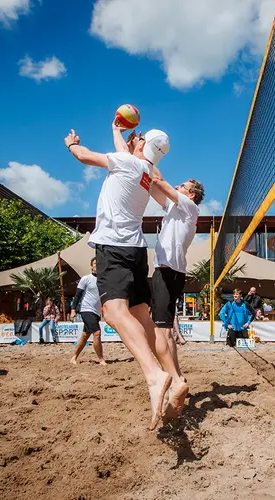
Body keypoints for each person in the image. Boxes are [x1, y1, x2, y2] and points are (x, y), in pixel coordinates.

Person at [64, 124, 174, 430]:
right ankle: (175, 378)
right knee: (141, 315)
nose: (132, 141)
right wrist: (116, 130)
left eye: (137, 140)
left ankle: (154, 374)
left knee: (113, 313)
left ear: (140, 147)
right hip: (137, 249)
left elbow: (84, 157)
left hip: (113, 247)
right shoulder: (147, 171)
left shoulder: (126, 162)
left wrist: (71, 144)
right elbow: (128, 155)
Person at [148, 174, 203, 420]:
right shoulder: (175, 207)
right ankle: (178, 376)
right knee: (166, 330)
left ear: (191, 195)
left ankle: (173, 381)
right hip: (171, 271)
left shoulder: (190, 206)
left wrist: (143, 160)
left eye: (184, 186)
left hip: (167, 270)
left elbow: (160, 183)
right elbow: (152, 188)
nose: (179, 187)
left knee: (161, 332)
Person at [70, 258, 105, 365]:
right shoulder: (86, 279)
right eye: (95, 264)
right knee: (97, 333)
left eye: (98, 263)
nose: (97, 266)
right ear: (91, 267)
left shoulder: (103, 280)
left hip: (96, 312)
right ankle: (101, 359)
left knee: (85, 335)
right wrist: (73, 310)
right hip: (86, 309)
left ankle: (73, 357)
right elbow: (77, 296)